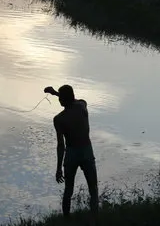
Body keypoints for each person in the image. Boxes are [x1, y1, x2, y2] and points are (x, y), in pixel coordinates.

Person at [44, 85, 98, 222]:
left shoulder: (59, 119)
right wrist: (56, 93)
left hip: (72, 153)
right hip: (86, 150)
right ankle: (95, 218)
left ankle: (66, 220)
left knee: (68, 190)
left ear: (62, 99)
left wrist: (58, 168)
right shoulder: (82, 106)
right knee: (93, 188)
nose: (59, 100)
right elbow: (74, 101)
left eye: (60, 97)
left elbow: (61, 146)